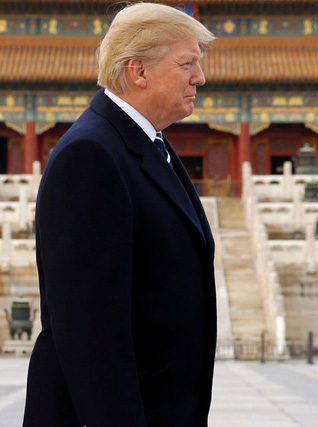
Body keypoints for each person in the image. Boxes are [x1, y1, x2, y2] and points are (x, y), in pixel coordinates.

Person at [23, 3, 217, 426]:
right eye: (187, 63)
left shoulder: (147, 144)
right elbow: (90, 331)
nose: (200, 77)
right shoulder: (91, 155)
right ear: (138, 71)